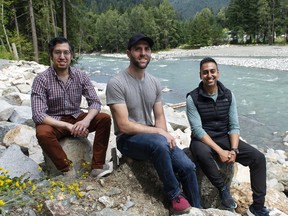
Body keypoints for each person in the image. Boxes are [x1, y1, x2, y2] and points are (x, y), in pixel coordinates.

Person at [106, 33, 201, 214]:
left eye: (147, 49)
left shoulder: (154, 83)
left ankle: (197, 209)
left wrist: (164, 134)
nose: (143, 53)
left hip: (152, 136)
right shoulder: (116, 83)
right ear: (128, 53)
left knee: (188, 167)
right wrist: (159, 133)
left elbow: (159, 116)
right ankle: (174, 196)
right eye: (138, 49)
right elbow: (124, 125)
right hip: (128, 140)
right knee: (158, 142)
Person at [186, 57, 269, 216]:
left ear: (218, 73)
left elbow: (234, 126)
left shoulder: (228, 95)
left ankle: (258, 207)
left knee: (258, 158)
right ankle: (223, 190)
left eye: (212, 71)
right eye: (205, 72)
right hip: (202, 139)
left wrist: (234, 150)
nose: (209, 75)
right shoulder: (192, 98)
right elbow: (197, 129)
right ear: (200, 75)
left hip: (224, 136)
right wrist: (221, 152)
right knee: (202, 152)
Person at [31, 36, 112, 178]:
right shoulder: (42, 79)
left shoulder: (81, 76)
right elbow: (38, 114)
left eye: (66, 52)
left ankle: (97, 166)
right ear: (51, 55)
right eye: (57, 52)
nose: (62, 56)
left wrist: (85, 121)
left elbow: (94, 102)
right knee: (42, 132)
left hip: (77, 117)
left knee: (104, 119)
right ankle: (67, 169)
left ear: (71, 55)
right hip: (55, 121)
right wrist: (67, 126)